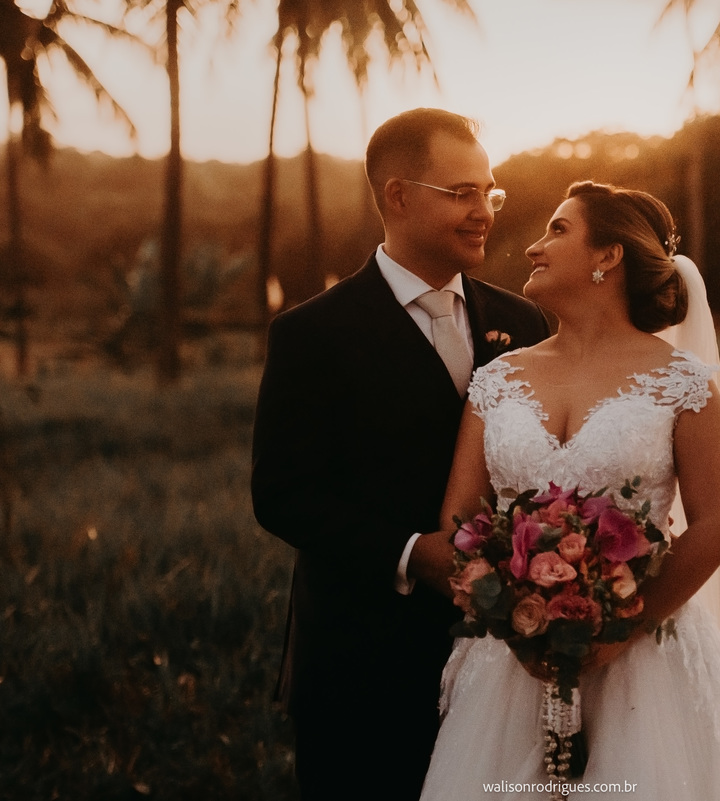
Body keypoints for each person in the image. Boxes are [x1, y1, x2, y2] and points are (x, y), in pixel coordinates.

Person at [416, 182, 720, 800]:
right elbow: (458, 516)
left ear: (608, 256)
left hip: (646, 659)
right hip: (514, 663)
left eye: (557, 229)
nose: (530, 247)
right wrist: (511, 614)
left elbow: (716, 525)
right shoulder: (496, 380)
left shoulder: (681, 380)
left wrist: (613, 636)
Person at [250, 108, 551, 800]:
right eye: (462, 193)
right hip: (359, 664)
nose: (484, 212)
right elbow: (283, 492)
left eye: (489, 192)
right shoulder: (312, 335)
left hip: (503, 663)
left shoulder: (523, 322)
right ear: (398, 195)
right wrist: (414, 551)